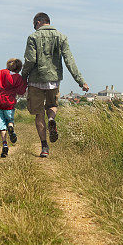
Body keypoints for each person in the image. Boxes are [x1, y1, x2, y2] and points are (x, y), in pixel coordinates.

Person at [22, 12, 89, 157]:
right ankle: (52, 119)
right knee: (52, 106)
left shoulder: (33, 37)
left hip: (35, 80)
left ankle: (44, 147)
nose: (34, 27)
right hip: (54, 80)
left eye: (34, 24)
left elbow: (30, 60)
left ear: (39, 22)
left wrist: (23, 76)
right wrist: (80, 81)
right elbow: (69, 60)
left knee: (39, 114)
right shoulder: (61, 37)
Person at [0, 59, 27, 158]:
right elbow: (21, 91)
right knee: (9, 120)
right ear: (19, 68)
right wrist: (25, 82)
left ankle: (4, 144)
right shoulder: (18, 78)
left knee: (1, 124)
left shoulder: (2, 72)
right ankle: (11, 127)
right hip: (9, 103)